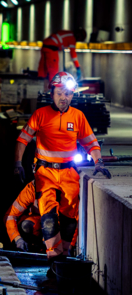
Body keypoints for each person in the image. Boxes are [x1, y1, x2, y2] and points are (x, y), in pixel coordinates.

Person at [14, 71, 111, 267]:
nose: (64, 98)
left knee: (69, 219)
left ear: (72, 95)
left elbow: (91, 143)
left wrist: (98, 161)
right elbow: (23, 140)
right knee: (48, 218)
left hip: (69, 173)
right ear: (52, 94)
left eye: (67, 94)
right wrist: (17, 163)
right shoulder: (40, 115)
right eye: (60, 93)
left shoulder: (78, 116)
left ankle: (63, 258)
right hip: (45, 174)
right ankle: (53, 259)